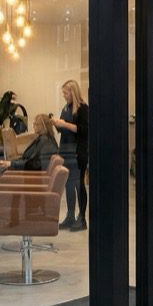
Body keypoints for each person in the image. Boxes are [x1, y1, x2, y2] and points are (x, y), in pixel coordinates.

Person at [0, 113, 58, 218]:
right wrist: (12, 162)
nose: (33, 126)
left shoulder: (45, 141)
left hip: (31, 179)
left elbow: (34, 164)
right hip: (29, 174)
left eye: (35, 124)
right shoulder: (42, 139)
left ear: (42, 126)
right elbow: (29, 160)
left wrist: (12, 163)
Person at [54, 79, 89, 231]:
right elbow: (63, 130)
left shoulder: (83, 109)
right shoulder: (66, 108)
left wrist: (64, 124)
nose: (64, 95)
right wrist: (56, 124)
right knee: (68, 184)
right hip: (66, 150)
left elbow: (84, 130)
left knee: (78, 184)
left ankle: (82, 218)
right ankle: (69, 215)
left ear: (73, 92)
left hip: (78, 151)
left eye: (66, 92)